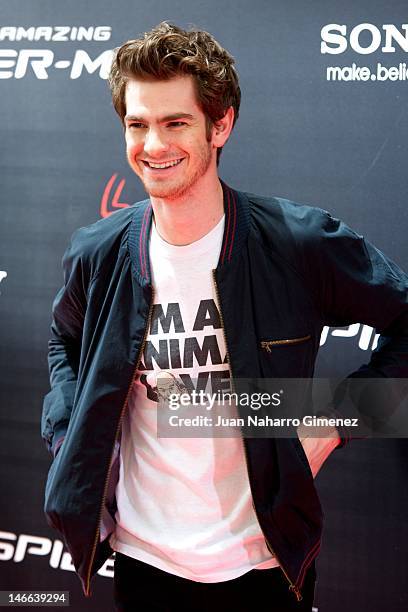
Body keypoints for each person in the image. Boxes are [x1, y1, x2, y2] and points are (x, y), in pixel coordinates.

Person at [41, 21, 408, 612]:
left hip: (264, 564)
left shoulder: (296, 243)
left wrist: (336, 421)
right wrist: (68, 433)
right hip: (142, 560)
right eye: (138, 124)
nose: (153, 146)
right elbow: (64, 344)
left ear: (222, 124)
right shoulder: (98, 251)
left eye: (175, 122)